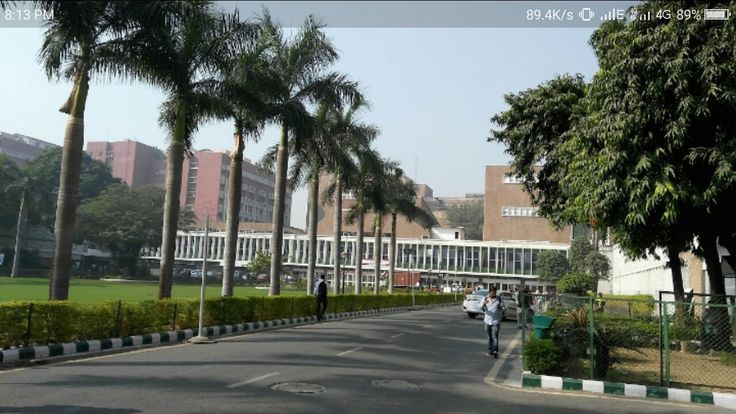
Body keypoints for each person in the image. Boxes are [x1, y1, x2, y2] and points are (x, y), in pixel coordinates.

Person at [481, 287, 505, 358]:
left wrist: (500, 307)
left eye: (495, 293)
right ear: (489, 292)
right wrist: (484, 304)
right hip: (487, 321)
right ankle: (490, 350)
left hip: (496, 321)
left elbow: (504, 308)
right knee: (489, 337)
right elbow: (480, 307)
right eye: (492, 293)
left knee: (495, 337)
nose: (494, 294)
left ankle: (495, 351)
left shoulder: (499, 299)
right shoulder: (485, 299)